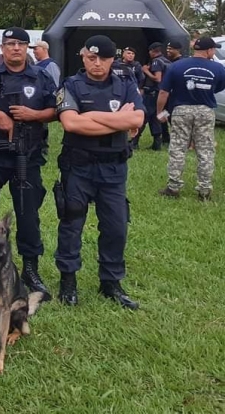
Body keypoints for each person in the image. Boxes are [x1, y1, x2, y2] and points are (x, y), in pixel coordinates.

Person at [54, 35, 144, 310]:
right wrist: (118, 122)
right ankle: (68, 281)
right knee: (72, 224)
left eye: (103, 58)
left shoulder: (126, 83)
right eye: (92, 58)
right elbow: (71, 124)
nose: (97, 63)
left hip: (114, 168)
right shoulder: (70, 85)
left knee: (116, 227)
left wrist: (90, 117)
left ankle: (111, 282)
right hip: (78, 166)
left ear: (112, 59)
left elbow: (138, 119)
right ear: (83, 56)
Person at [0, 27, 57, 299]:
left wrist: (34, 114)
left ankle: (30, 269)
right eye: (10, 44)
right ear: (3, 48)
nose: (15, 48)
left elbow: (58, 110)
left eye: (21, 44)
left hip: (26, 157)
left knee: (28, 215)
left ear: (28, 48)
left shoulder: (41, 77)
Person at [157, 37, 225, 201]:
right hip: (205, 111)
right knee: (205, 150)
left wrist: (160, 112)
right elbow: (218, 87)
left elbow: (164, 92)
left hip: (181, 110)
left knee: (178, 148)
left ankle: (173, 187)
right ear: (209, 50)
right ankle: (204, 190)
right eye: (213, 49)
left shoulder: (176, 66)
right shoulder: (218, 68)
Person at [134, 41, 171, 150]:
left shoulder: (156, 62)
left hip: (152, 94)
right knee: (157, 117)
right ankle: (158, 143)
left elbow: (157, 78)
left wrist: (146, 71)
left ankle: (134, 142)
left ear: (152, 51)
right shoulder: (167, 61)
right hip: (162, 94)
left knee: (144, 116)